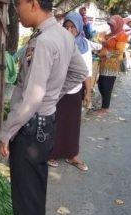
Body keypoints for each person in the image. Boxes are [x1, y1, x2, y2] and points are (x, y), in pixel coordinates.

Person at [0, 0, 88, 215]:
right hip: (42, 124)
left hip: (31, 127)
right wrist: (54, 95)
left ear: (33, 3)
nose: (16, 11)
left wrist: (5, 132)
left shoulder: (46, 41)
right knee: (29, 190)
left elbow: (32, 97)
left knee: (29, 192)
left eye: (18, 5)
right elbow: (79, 72)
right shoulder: (61, 34)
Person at [47, 12, 92, 171]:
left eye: (73, 27)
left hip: (75, 91)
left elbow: (87, 72)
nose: (69, 30)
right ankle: (51, 154)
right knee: (55, 123)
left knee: (73, 124)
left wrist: (88, 92)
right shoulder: (58, 43)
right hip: (58, 90)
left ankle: (72, 155)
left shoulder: (85, 46)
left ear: (79, 27)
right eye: (66, 26)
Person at [92, 15, 127, 115]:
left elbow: (119, 52)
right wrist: (100, 46)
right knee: (101, 84)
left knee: (106, 86)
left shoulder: (122, 35)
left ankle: (105, 108)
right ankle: (104, 105)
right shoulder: (110, 34)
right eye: (110, 25)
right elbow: (104, 45)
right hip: (104, 64)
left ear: (118, 25)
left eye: (113, 25)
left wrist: (106, 53)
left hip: (112, 65)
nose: (111, 27)